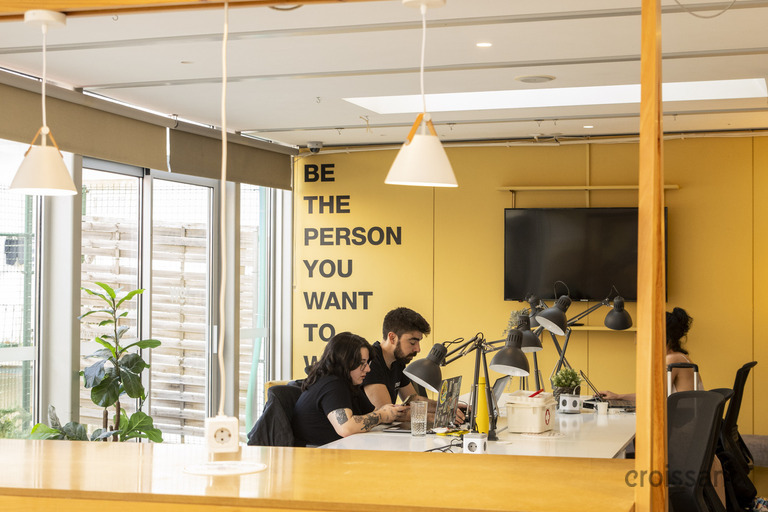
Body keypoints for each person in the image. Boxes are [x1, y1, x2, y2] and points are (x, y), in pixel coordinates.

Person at [292, 332, 404, 447]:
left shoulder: (349, 384)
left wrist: (392, 412)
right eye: (362, 363)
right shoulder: (331, 385)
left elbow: (370, 413)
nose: (368, 369)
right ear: (344, 362)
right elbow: (346, 428)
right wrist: (381, 415)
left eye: (367, 363)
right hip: (318, 456)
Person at [362, 307, 465, 425]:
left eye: (418, 342)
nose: (418, 349)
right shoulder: (371, 362)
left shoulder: (397, 362)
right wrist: (439, 417)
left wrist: (445, 407)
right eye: (412, 342)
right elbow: (388, 413)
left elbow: (413, 400)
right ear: (392, 337)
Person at [600, 307, 702, 402]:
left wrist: (619, 397)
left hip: (684, 419)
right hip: (685, 415)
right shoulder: (678, 357)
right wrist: (618, 397)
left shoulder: (672, 359)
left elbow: (655, 396)